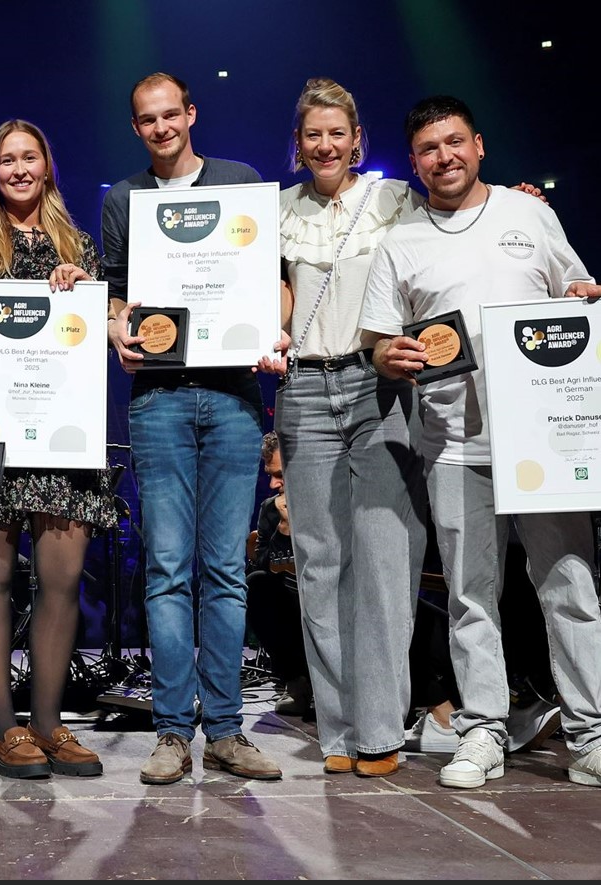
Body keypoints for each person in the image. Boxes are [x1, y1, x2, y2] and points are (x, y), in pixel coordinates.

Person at [361, 94, 601, 789]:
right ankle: (482, 730)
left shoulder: (530, 214)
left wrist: (585, 298)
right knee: (470, 593)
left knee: (569, 584)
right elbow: (378, 341)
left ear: (479, 144)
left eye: (454, 141)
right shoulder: (401, 239)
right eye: (429, 149)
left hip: (543, 439)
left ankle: (589, 732)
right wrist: (390, 357)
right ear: (413, 163)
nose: (444, 156)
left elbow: (576, 291)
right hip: (453, 441)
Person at [102, 72, 282, 785]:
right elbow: (116, 294)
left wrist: (277, 330)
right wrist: (116, 329)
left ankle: (228, 730)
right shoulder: (125, 199)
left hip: (235, 394)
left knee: (224, 570)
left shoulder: (238, 184)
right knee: (167, 570)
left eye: (169, 114)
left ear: (190, 114)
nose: (159, 127)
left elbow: (271, 276)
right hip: (160, 397)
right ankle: (173, 731)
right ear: (136, 127)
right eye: (146, 119)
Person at [252, 77, 429, 777]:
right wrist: (266, 328)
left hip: (376, 382)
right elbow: (272, 290)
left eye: (336, 133)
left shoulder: (393, 199)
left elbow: (452, 230)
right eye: (311, 134)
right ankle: (337, 730)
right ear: (295, 145)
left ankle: (379, 729)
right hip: (301, 390)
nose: (324, 144)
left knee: (384, 561)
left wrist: (520, 201)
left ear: (357, 139)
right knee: (319, 565)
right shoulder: (274, 210)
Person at [0, 120, 117, 779]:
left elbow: (96, 340)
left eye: (28, 156)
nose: (17, 168)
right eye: (5, 159)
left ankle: (47, 723)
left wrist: (84, 299)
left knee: (62, 580)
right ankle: (1, 726)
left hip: (61, 437)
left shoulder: (78, 247)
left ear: (46, 165)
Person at [245, 432, 311, 719]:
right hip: (292, 600)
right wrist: (284, 532)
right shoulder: (271, 509)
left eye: (280, 475)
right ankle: (296, 681)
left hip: (337, 596)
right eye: (271, 476)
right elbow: (259, 562)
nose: (273, 484)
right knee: (256, 585)